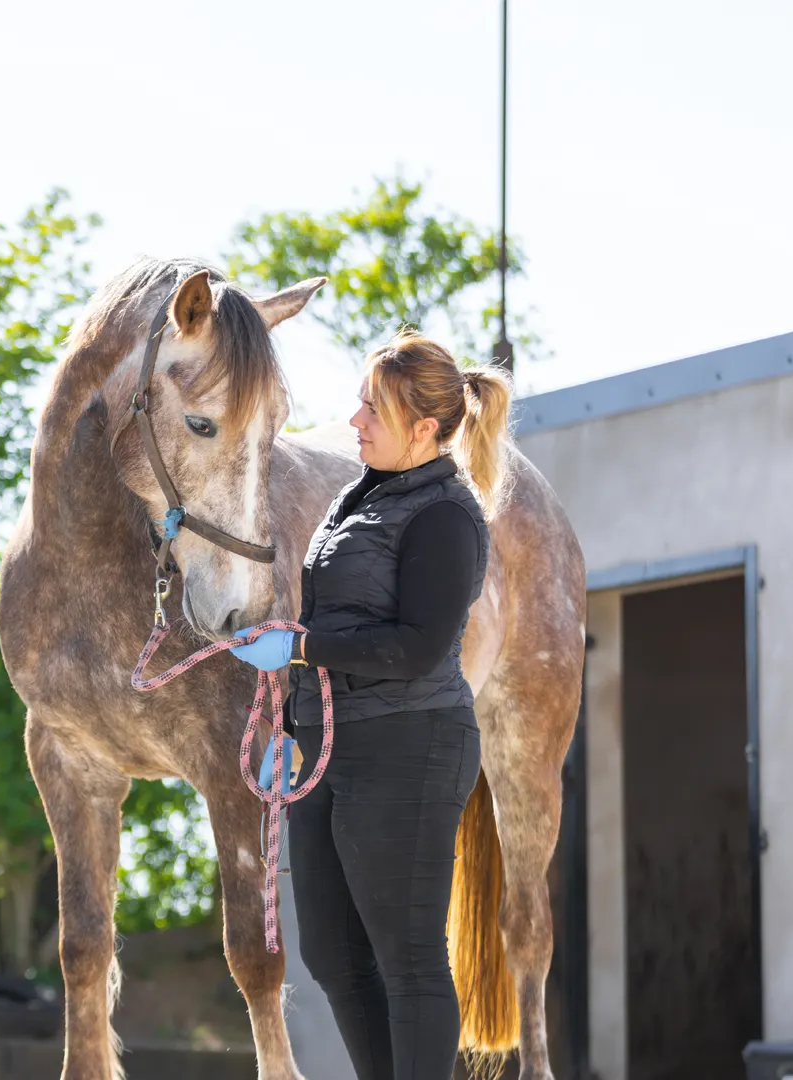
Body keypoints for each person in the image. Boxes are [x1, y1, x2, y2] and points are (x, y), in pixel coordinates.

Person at [228, 330, 513, 1080]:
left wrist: (295, 650)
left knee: (408, 954)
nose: (355, 421)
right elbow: (342, 622)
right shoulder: (366, 493)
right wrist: (291, 728)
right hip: (331, 744)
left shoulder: (447, 515)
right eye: (358, 403)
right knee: (329, 951)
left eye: (373, 410)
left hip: (408, 745)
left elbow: (417, 646)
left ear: (426, 428)